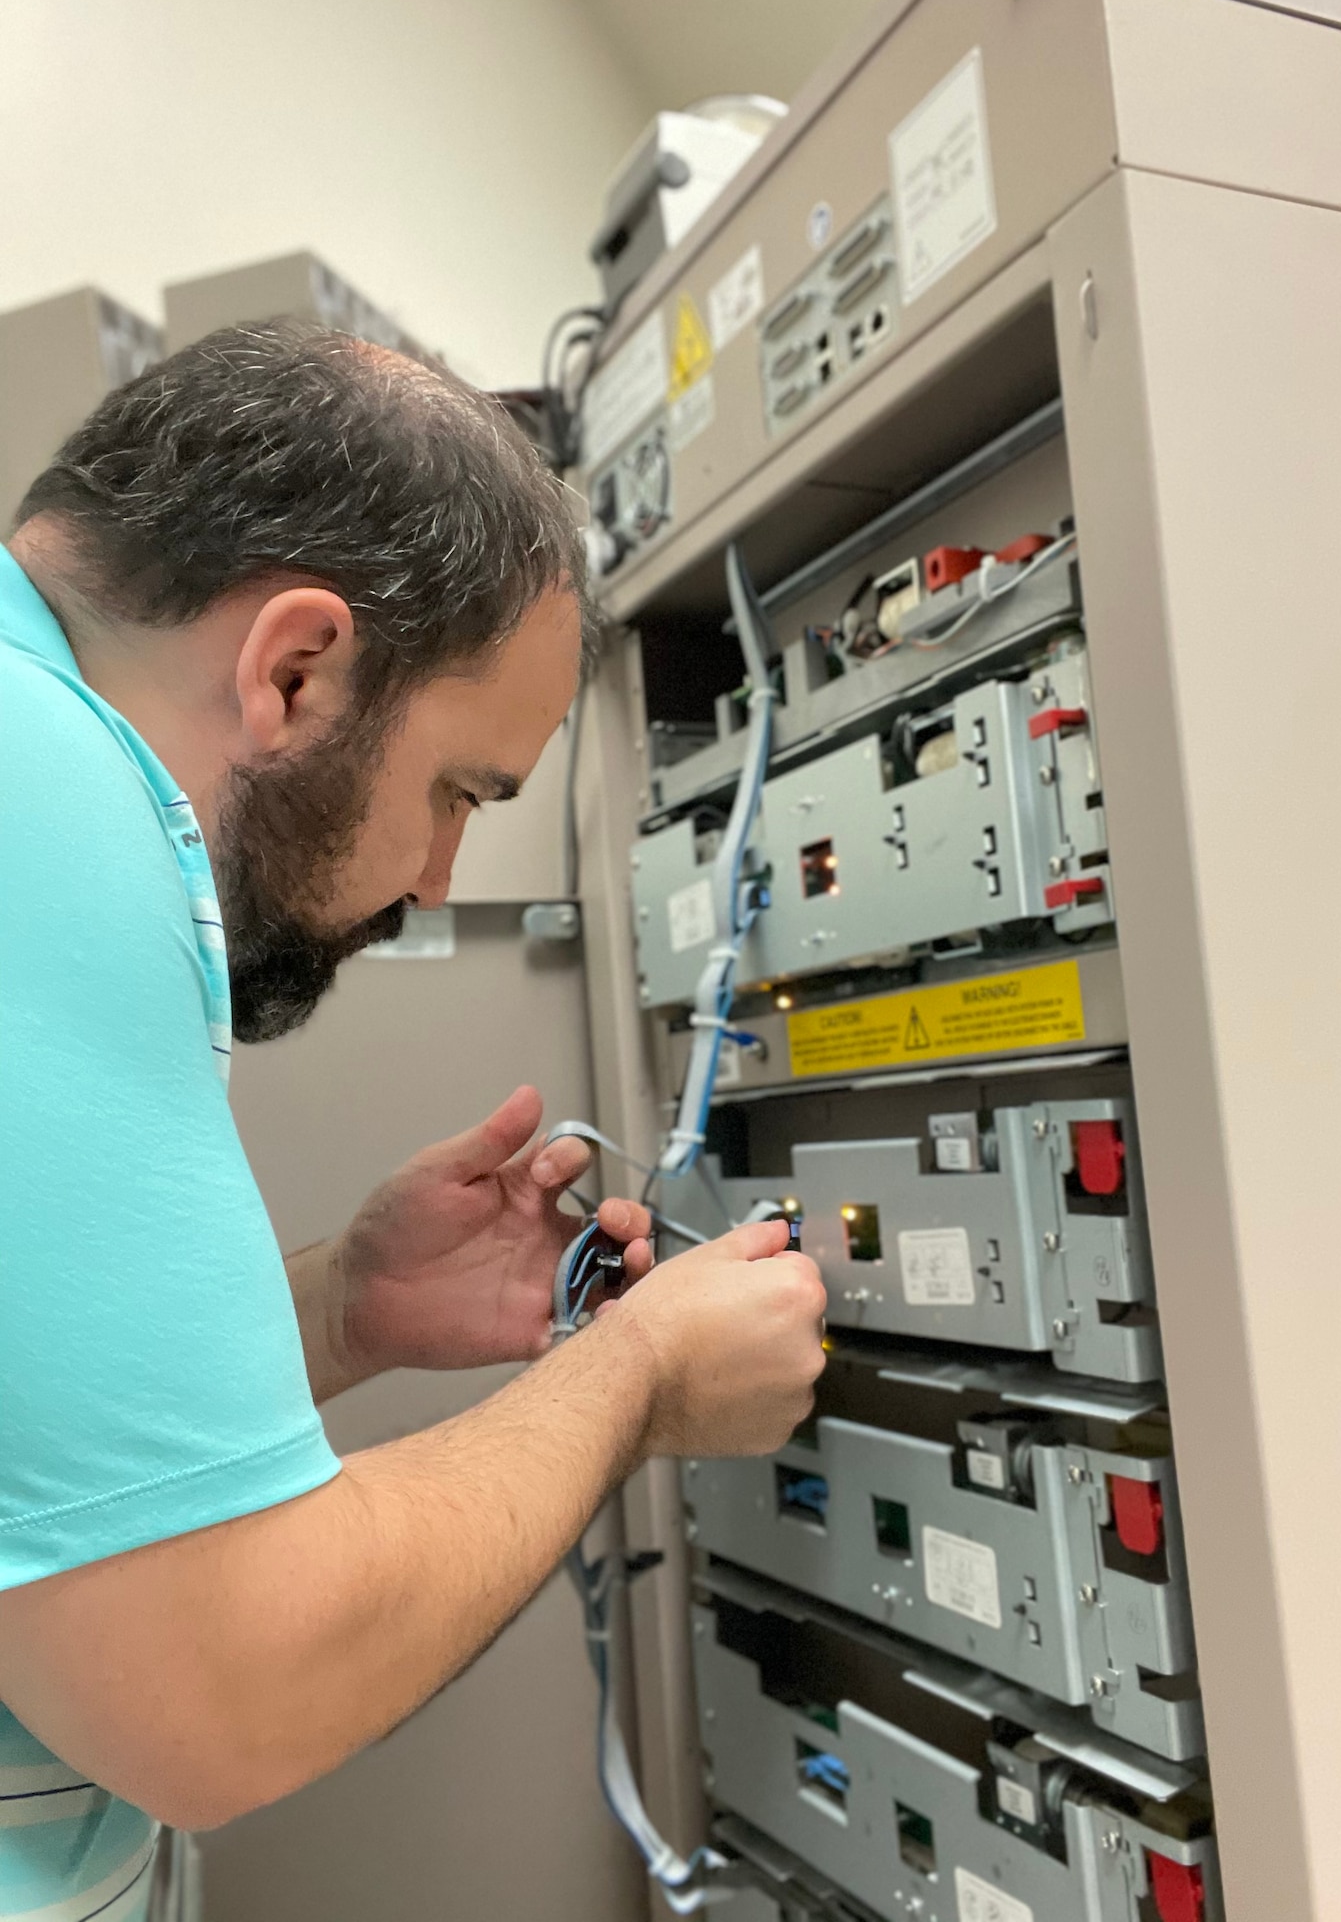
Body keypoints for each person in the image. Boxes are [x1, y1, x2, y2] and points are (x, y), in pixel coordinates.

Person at [0, 323, 827, 1920]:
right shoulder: (46, 800)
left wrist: (343, 1309)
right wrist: (636, 1375)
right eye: (460, 790)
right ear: (295, 666)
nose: (438, 880)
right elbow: (223, 1687)